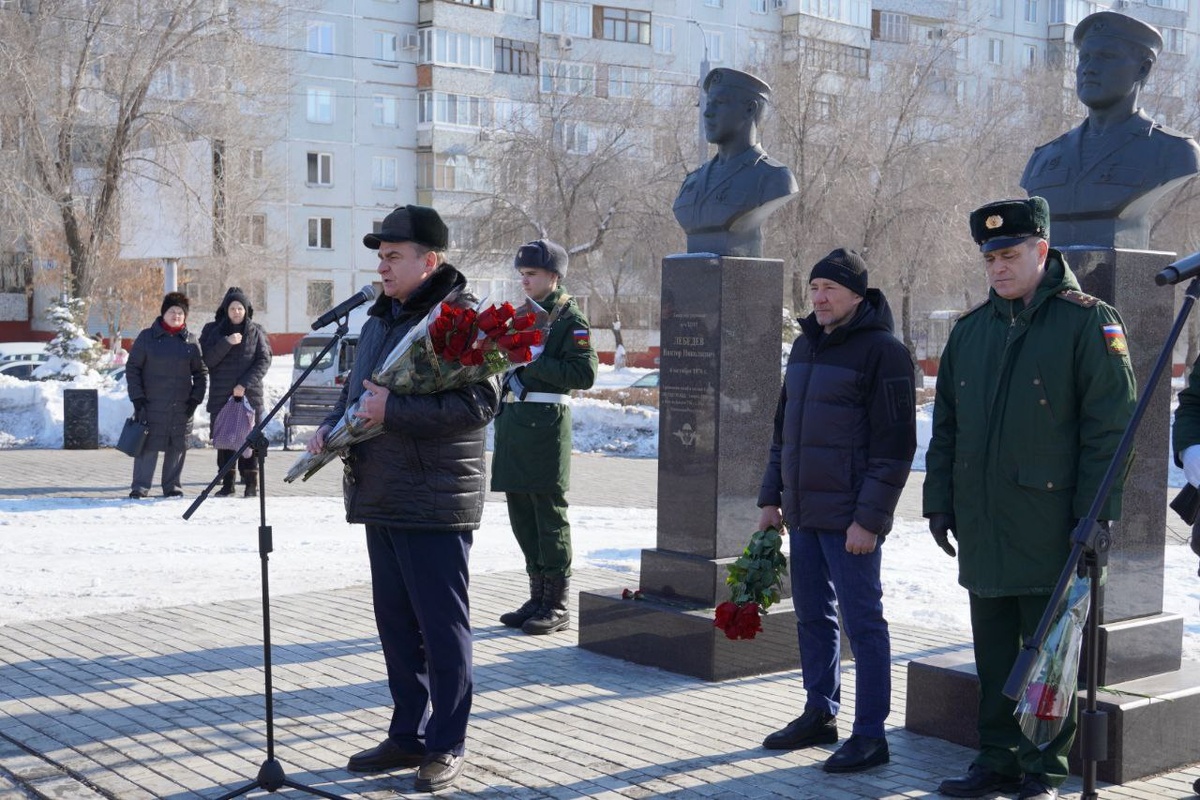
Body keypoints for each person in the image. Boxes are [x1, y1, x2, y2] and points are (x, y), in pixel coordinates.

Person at [923, 197, 1137, 800]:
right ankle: (996, 760)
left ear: (1042, 250)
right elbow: (947, 427)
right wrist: (940, 501)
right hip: (984, 524)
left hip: (1053, 526)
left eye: (1010, 254)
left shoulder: (1087, 321)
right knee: (994, 654)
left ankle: (1044, 768)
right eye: (989, 256)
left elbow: (1111, 431)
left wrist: (1097, 516)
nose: (997, 267)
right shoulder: (970, 332)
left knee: (1049, 655)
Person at [306, 205, 498, 793]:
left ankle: (446, 743)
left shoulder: (460, 320)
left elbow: (480, 405)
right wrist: (330, 427)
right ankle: (406, 733)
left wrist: (395, 411)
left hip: (434, 497)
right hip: (383, 491)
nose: (383, 268)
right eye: (380, 257)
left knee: (441, 628)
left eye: (394, 257)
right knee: (395, 625)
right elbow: (360, 390)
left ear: (428, 261)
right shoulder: (379, 319)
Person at [757, 248, 916, 774]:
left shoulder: (883, 352)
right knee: (811, 617)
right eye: (813, 288)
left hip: (851, 520)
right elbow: (785, 433)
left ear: (856, 294)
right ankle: (818, 711)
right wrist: (770, 498)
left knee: (863, 624)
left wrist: (869, 521)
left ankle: (871, 734)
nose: (819, 298)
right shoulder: (805, 346)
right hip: (803, 514)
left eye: (829, 288)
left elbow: (894, 448)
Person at [490, 239, 598, 635]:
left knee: (548, 514)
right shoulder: (525, 315)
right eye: (521, 274)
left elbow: (584, 374)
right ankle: (536, 595)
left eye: (531, 274)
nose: (525, 281)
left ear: (554, 276)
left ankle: (556, 603)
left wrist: (535, 359)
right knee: (522, 513)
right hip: (516, 422)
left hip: (546, 424)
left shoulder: (570, 319)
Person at [1021, 11, 1200, 249]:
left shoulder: (1174, 152)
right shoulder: (1044, 157)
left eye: (1106, 57)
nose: (1088, 69)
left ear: (1143, 70)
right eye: (1084, 58)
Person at [672, 67, 798, 258]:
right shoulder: (692, 181)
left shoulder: (774, 178)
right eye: (707, 104)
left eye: (719, 103)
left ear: (749, 109)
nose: (707, 113)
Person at [125, 292, 208, 499]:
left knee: (177, 447)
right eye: (172, 311)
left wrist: (194, 399)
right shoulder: (147, 337)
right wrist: (137, 398)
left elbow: (200, 373)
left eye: (180, 313)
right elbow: (133, 368)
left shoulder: (190, 341)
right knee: (147, 446)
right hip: (150, 404)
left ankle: (172, 487)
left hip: (181, 406)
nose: (176, 316)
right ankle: (140, 487)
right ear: (164, 313)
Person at [199, 287, 272, 497]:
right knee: (225, 440)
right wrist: (226, 342)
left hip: (249, 396)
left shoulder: (256, 331)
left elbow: (264, 360)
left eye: (240, 308)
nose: (236, 312)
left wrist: (244, 384)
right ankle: (227, 484)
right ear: (226, 310)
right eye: (232, 308)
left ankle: (251, 485)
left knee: (249, 440)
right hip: (222, 396)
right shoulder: (213, 331)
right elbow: (208, 360)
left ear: (246, 310)